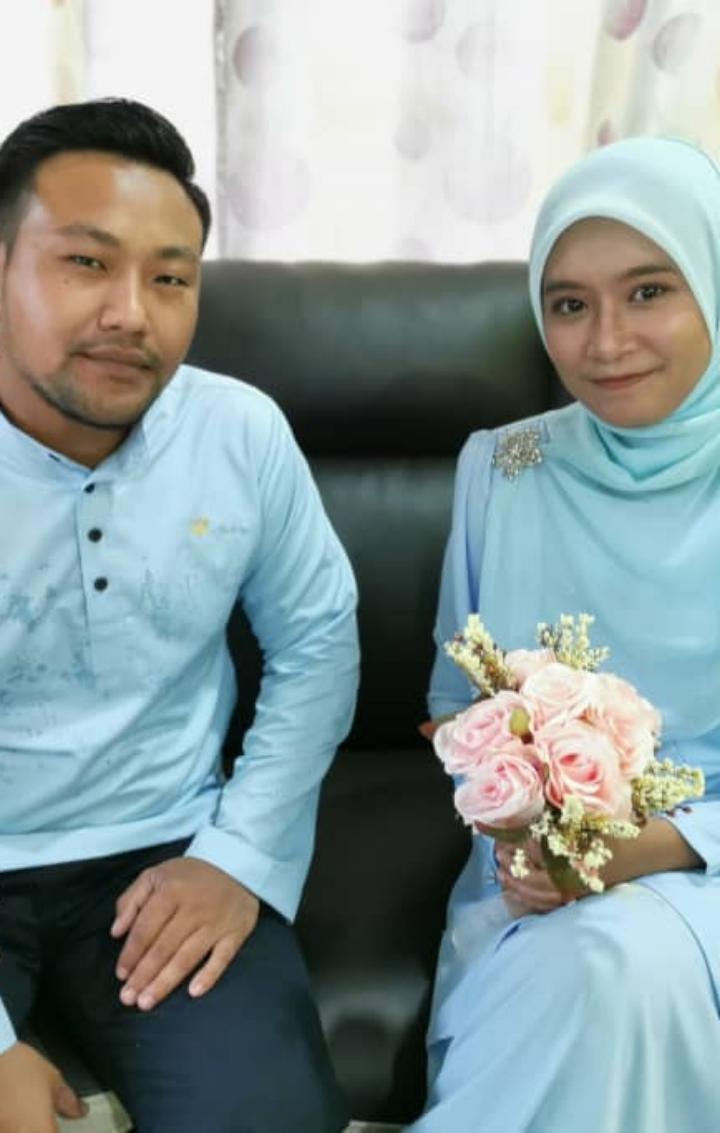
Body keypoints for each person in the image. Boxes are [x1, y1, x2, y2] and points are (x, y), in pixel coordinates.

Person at [0, 98, 359, 1133]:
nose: (132, 313)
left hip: (159, 848)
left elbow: (319, 639)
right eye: (86, 263)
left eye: (170, 278)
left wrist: (237, 854)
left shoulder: (239, 433)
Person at [408, 136, 720, 1132]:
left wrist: (645, 847)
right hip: (545, 881)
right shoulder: (501, 470)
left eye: (649, 291)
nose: (606, 342)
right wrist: (525, 815)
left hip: (702, 862)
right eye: (570, 304)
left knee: (620, 968)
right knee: (595, 964)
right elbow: (455, 706)